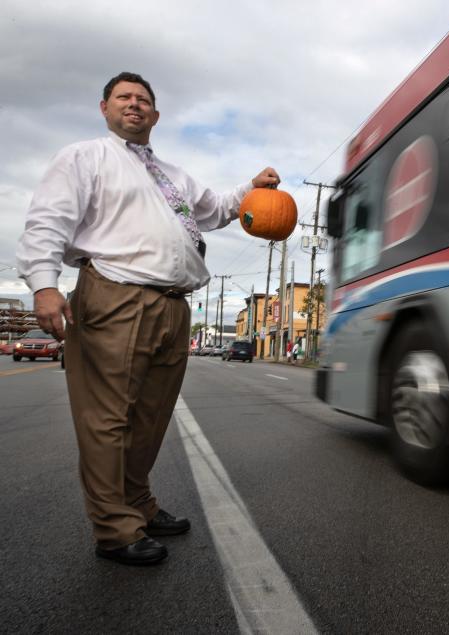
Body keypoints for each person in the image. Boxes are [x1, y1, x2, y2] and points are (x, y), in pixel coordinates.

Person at [16, 72, 280, 566]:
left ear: (155, 115)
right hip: (115, 294)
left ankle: (137, 502)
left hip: (173, 306)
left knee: (150, 417)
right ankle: (115, 528)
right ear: (105, 108)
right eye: (124, 98)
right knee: (108, 417)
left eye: (143, 100)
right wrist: (44, 284)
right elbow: (48, 217)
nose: (134, 105)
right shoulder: (84, 157)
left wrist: (252, 186)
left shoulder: (173, 177)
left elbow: (218, 209)